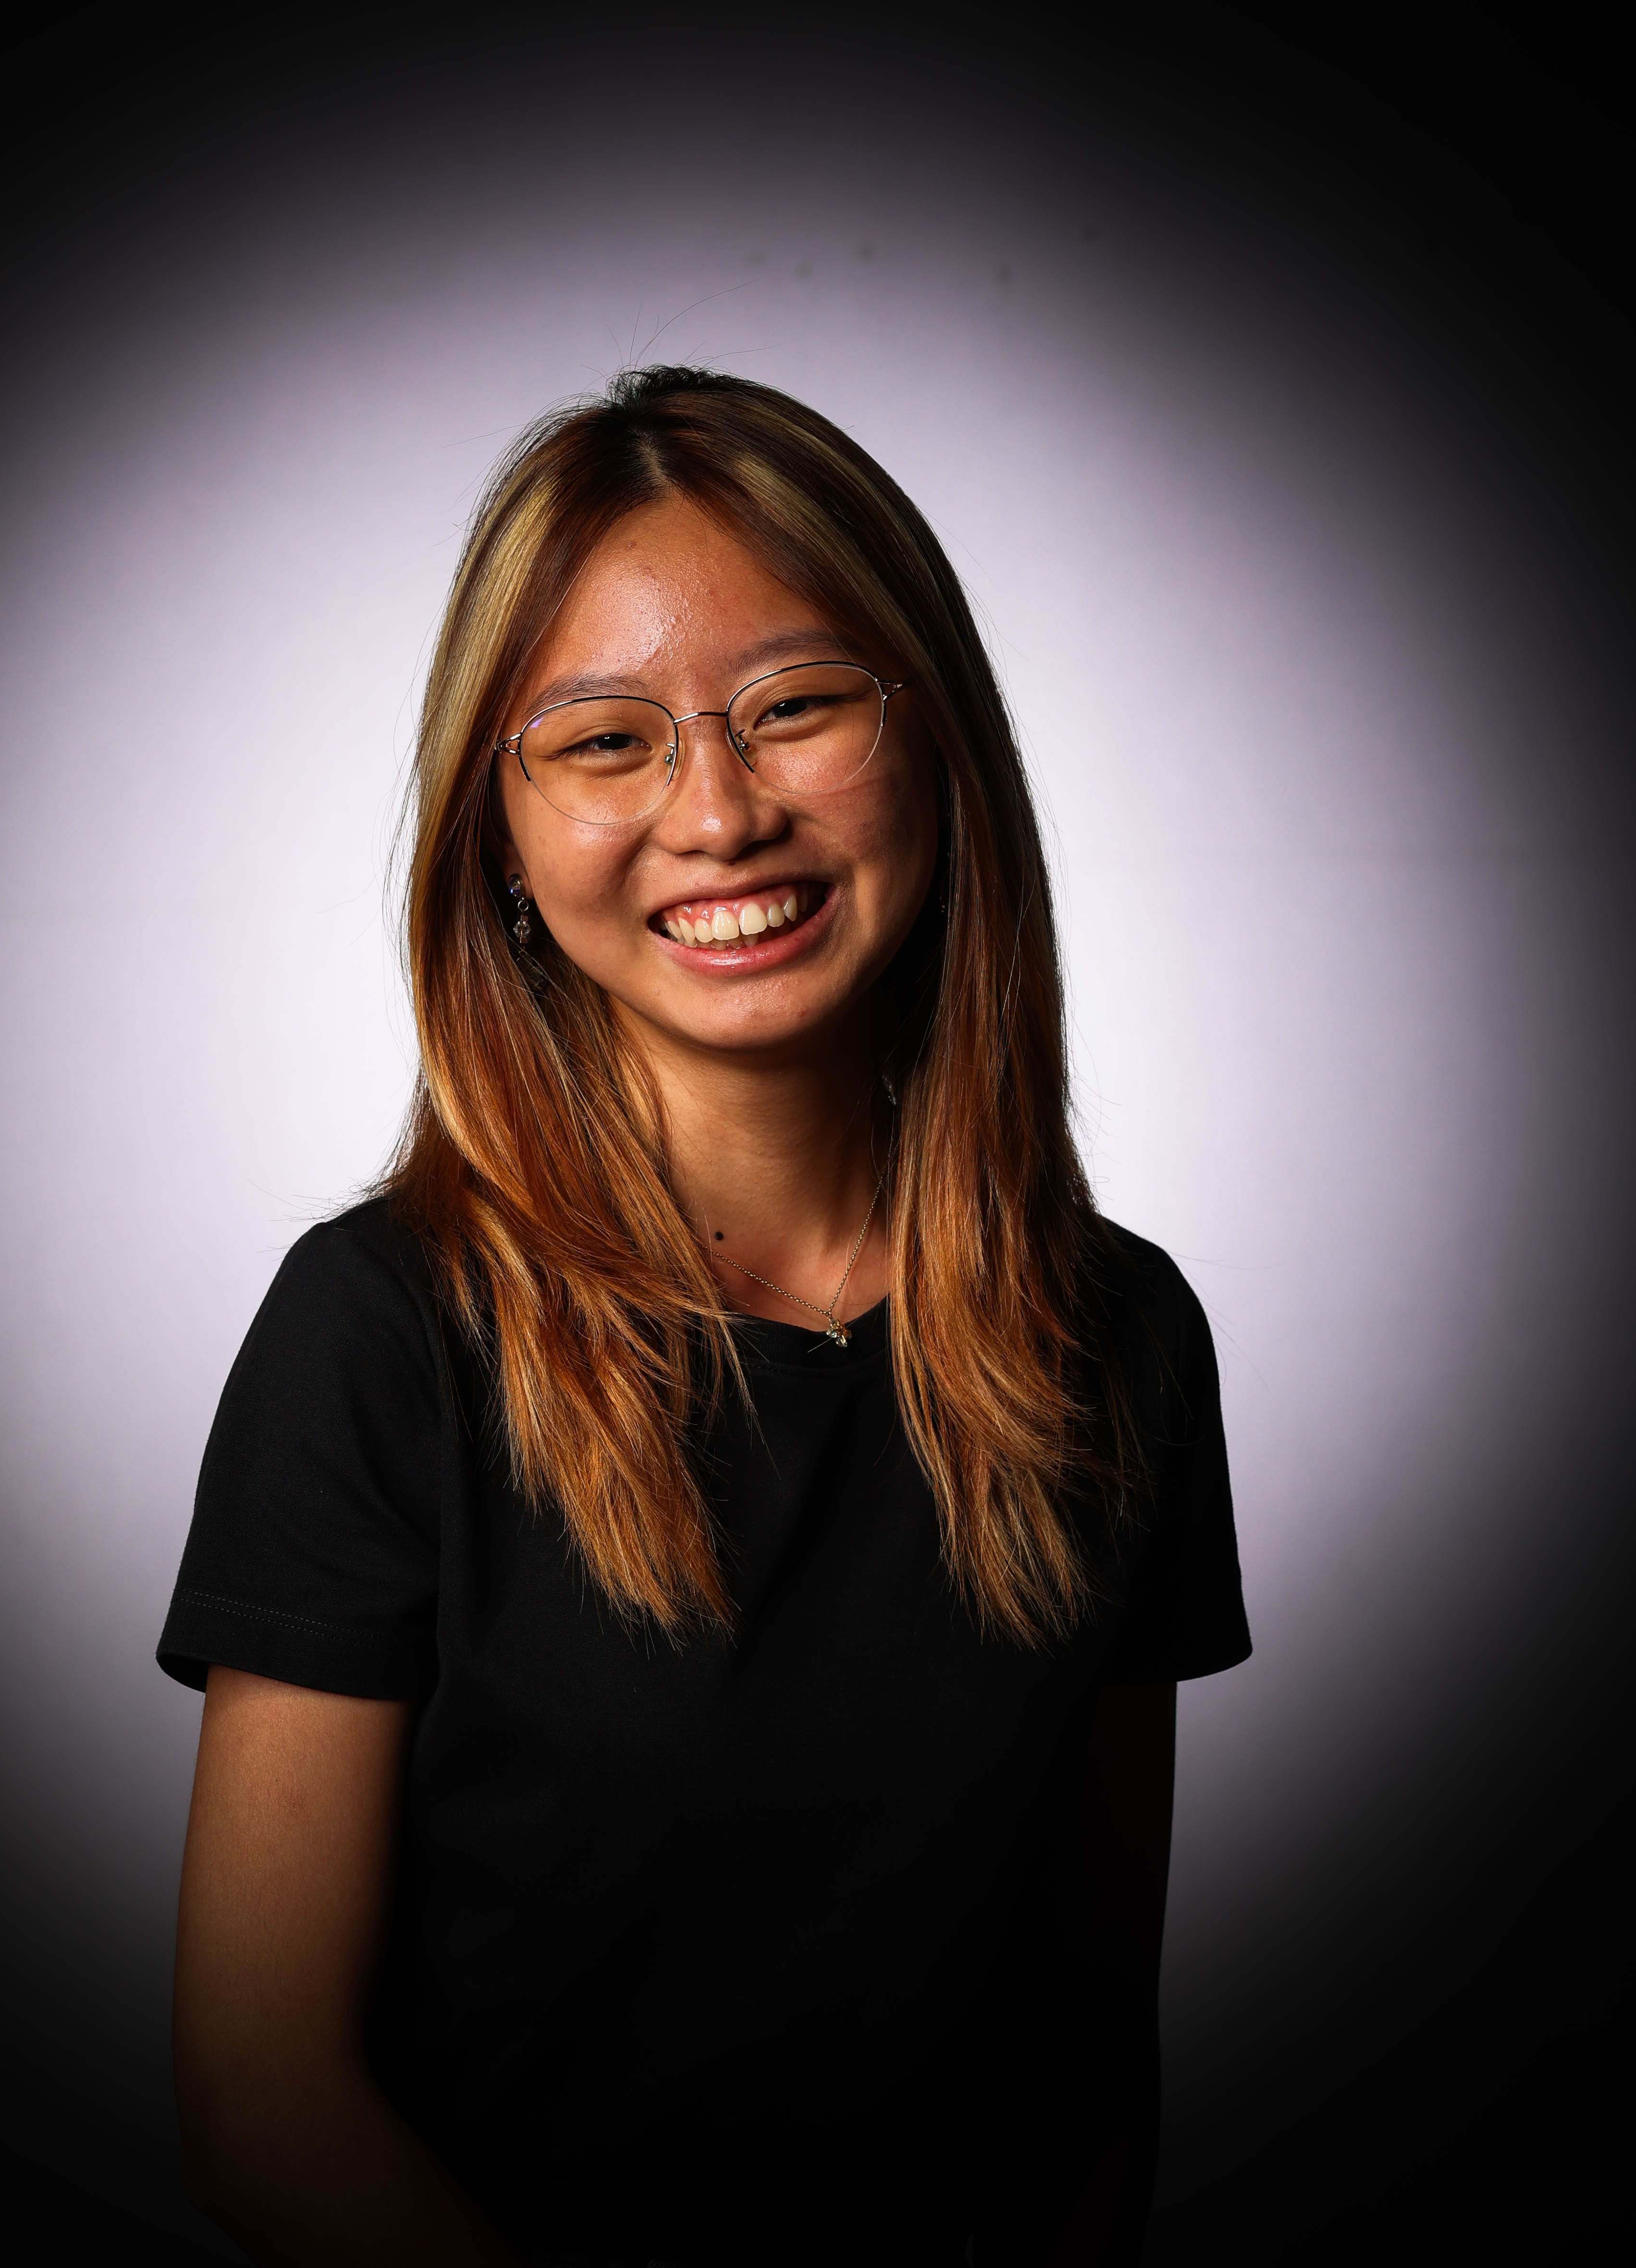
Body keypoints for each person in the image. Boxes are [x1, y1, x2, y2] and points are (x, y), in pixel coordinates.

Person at [159, 368, 1249, 2267]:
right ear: (499, 837)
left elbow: (1088, 2065)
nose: (721, 812)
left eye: (798, 705)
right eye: (605, 740)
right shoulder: (380, 1335)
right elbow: (266, 2094)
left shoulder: (1121, 1335)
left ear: (937, 742)